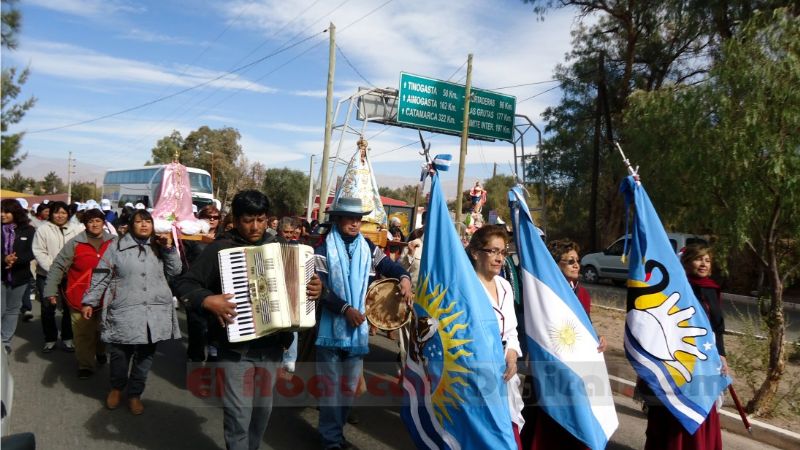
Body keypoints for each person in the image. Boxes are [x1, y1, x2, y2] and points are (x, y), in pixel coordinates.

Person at [175, 190, 322, 450]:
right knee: (238, 417)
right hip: (235, 350)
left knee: (261, 415)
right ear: (237, 219)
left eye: (261, 219)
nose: (255, 227)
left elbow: (306, 287)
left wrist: (317, 289)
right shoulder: (221, 248)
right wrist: (209, 300)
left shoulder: (281, 247)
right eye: (248, 220)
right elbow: (185, 284)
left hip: (272, 348)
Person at [314, 197, 413, 450]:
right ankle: (330, 441)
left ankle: (335, 434)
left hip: (356, 332)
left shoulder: (368, 248)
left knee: (348, 389)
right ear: (337, 219)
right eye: (350, 218)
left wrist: (403, 277)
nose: (356, 223)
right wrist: (345, 309)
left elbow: (389, 265)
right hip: (329, 330)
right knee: (331, 390)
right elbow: (319, 289)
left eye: (359, 218)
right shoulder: (322, 248)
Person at [82, 209, 182, 415]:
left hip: (154, 311)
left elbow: (175, 272)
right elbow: (101, 274)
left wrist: (169, 250)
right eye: (139, 221)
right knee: (120, 354)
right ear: (130, 225)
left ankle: (135, 393)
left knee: (145, 357)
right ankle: (117, 388)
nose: (144, 225)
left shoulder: (160, 246)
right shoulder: (116, 247)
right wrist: (89, 301)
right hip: (124, 309)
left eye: (148, 221)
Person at [638, 243, 726, 450]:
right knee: (676, 413)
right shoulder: (675, 287)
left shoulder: (712, 289)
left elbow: (717, 327)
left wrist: (722, 355)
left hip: (705, 362)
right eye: (698, 259)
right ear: (686, 262)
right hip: (677, 359)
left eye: (707, 259)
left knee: (703, 408)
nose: (703, 263)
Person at [520, 239, 605, 450]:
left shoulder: (582, 294)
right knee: (545, 427)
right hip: (549, 368)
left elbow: (585, 327)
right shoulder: (543, 293)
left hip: (576, 372)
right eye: (570, 261)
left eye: (577, 261)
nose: (577, 265)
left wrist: (597, 338)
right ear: (555, 265)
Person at [466, 225, 524, 448]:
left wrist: (511, 355)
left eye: (503, 252)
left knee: (509, 436)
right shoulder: (466, 287)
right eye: (493, 251)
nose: (500, 258)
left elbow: (511, 331)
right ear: (475, 253)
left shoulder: (506, 286)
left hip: (503, 376)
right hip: (475, 375)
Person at [43, 208, 114, 378]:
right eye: (90, 221)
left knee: (102, 331)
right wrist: (50, 290)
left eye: (98, 220)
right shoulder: (75, 243)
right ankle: (85, 365)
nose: (94, 224)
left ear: (104, 223)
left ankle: (100, 351)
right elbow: (58, 266)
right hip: (80, 296)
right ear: (85, 224)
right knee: (83, 333)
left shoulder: (115, 242)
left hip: (108, 296)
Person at [32, 201, 83, 353]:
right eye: (56, 212)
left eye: (63, 212)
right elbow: (39, 251)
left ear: (68, 214)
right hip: (46, 275)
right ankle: (50, 339)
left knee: (69, 307)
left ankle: (68, 338)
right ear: (51, 214)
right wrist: (55, 270)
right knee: (48, 308)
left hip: (70, 275)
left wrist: (70, 268)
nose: (60, 216)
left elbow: (80, 249)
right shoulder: (43, 229)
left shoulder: (77, 229)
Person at [183, 204, 222, 362]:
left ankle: (213, 365)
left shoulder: (224, 238)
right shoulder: (192, 238)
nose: (212, 220)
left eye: (216, 217)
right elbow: (184, 262)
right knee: (197, 329)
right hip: (196, 289)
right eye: (208, 217)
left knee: (215, 330)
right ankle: (195, 362)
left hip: (217, 290)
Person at [2, 199, 36, 354]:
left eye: (6, 211)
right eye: (1, 211)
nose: (2, 215)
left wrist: (16, 260)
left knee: (12, 310)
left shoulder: (28, 230)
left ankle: (5, 342)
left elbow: (32, 252)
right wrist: (4, 259)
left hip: (20, 276)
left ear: (15, 213)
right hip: (2, 275)